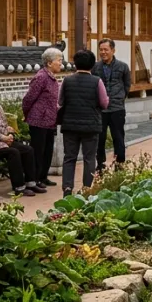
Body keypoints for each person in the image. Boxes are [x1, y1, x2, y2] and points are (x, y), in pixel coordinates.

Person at [58, 50, 109, 195]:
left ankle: (67, 189)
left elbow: (60, 102)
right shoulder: (97, 81)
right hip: (91, 125)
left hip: (70, 125)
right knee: (89, 158)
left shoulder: (67, 80)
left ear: (75, 64)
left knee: (69, 158)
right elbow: (104, 103)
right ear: (92, 65)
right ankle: (86, 189)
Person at [20, 48, 62, 188]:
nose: (61, 63)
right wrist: (27, 114)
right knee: (38, 150)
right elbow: (28, 99)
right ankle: (35, 178)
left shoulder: (52, 77)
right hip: (38, 119)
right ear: (49, 63)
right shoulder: (41, 77)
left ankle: (43, 177)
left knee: (48, 150)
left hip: (50, 120)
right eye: (59, 60)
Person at [92, 39, 130, 171]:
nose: (103, 52)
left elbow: (126, 85)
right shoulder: (95, 67)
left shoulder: (123, 66)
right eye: (101, 50)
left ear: (113, 50)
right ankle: (100, 164)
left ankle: (120, 163)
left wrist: (119, 98)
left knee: (118, 136)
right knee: (100, 138)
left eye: (106, 49)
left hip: (117, 108)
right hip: (100, 109)